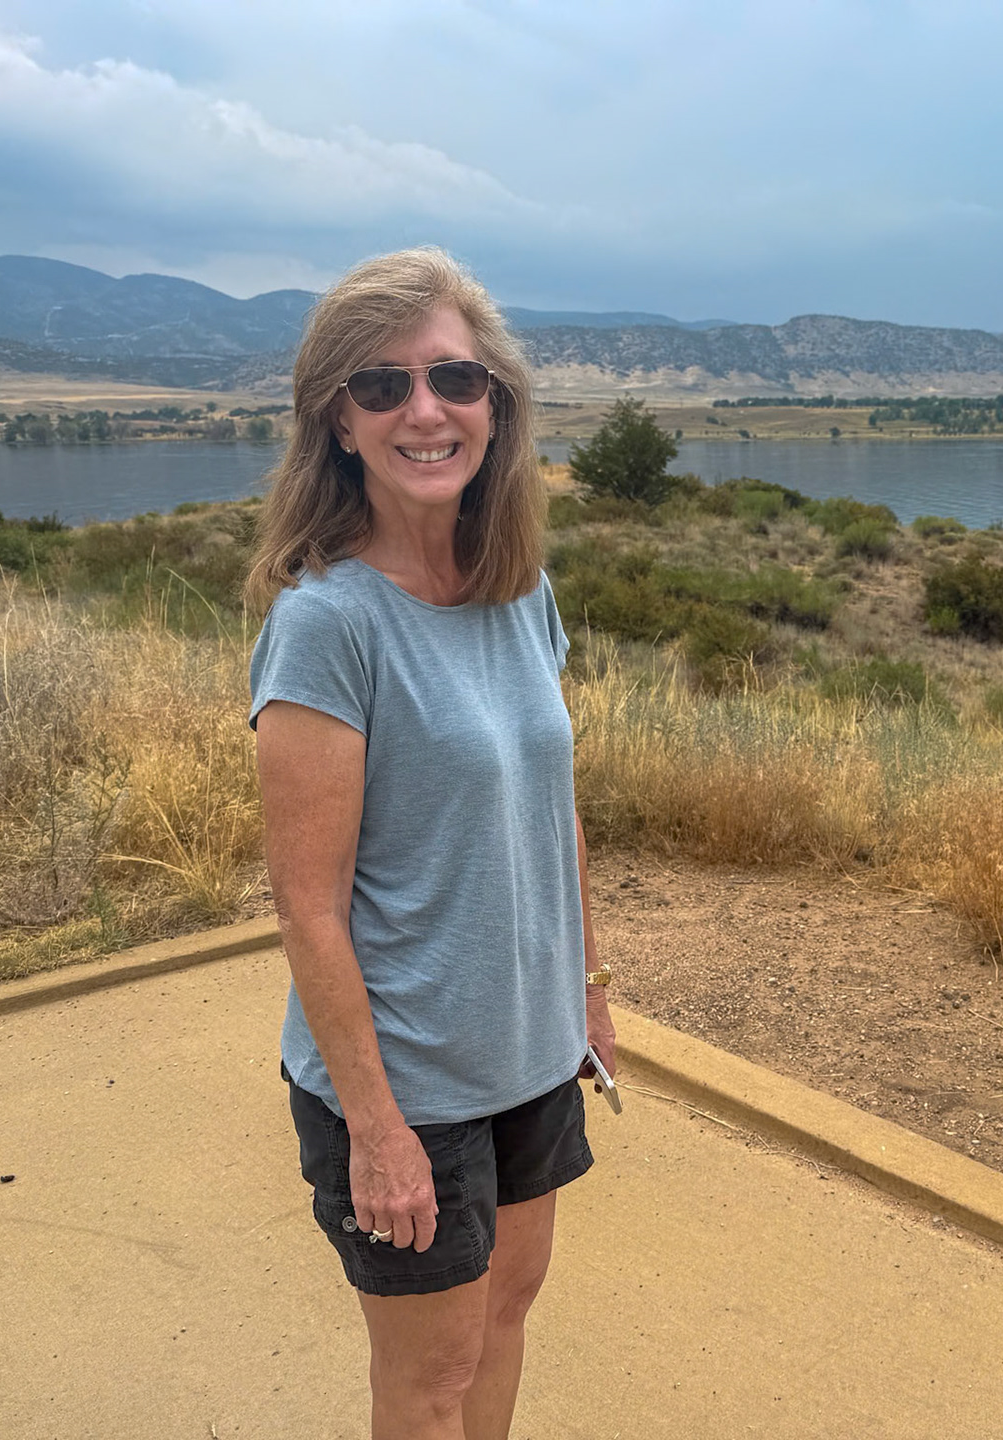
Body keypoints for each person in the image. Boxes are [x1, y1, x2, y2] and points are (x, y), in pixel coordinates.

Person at [244, 247, 614, 1440]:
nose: (425, 410)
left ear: (495, 408)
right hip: (408, 1082)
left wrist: (587, 996)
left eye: (455, 378)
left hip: (525, 1051)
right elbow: (308, 908)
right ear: (337, 424)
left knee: (508, 1315)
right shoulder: (328, 626)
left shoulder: (520, 587)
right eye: (381, 385)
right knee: (430, 1378)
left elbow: (549, 811)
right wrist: (378, 1129)